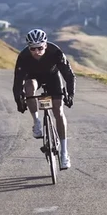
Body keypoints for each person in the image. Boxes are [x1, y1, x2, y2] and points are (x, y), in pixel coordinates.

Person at [12, 28, 75, 169]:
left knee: (58, 111)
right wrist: (19, 101)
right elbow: (17, 82)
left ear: (45, 45)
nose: (36, 52)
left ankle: (64, 153)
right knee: (28, 87)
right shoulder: (23, 57)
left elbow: (69, 75)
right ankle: (37, 122)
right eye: (33, 49)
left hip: (53, 77)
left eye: (40, 48)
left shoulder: (55, 52)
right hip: (34, 78)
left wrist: (70, 94)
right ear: (29, 48)